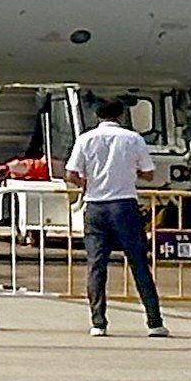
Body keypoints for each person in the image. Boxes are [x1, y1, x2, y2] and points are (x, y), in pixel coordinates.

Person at [63, 100, 166, 337]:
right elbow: (149, 174)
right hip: (124, 205)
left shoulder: (85, 139)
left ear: (97, 116)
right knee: (139, 263)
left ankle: (98, 322)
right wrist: (132, 172)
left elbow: (71, 173)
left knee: (96, 265)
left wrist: (85, 184)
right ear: (121, 115)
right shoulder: (133, 139)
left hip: (95, 206)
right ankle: (154, 322)